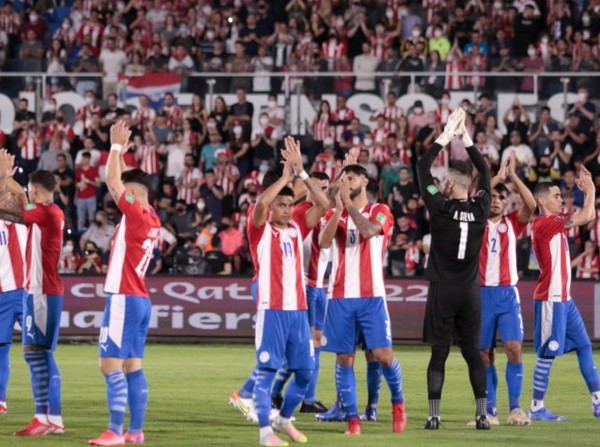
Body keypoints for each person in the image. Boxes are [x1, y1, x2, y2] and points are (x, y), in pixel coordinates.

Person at [246, 138, 328, 446]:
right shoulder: (259, 229)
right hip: (273, 311)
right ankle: (266, 434)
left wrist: (302, 173)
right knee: (267, 372)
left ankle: (283, 419)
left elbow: (323, 204)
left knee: (306, 374)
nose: (285, 209)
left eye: (289, 204)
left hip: (298, 312)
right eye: (280, 204)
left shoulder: (297, 227)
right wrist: (285, 176)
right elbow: (260, 206)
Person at [416, 108, 491, 430]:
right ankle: (482, 415)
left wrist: (445, 137)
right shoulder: (481, 208)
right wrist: (467, 139)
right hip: (470, 291)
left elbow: (422, 167)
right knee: (473, 352)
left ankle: (434, 415)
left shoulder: (439, 206)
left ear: (448, 183)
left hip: (443, 290)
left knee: (439, 353)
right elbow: (485, 171)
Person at [88, 121, 161, 446]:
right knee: (133, 366)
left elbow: (111, 181)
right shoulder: (151, 217)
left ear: (132, 196)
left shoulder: (133, 215)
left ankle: (115, 431)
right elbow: (120, 180)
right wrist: (122, 155)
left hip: (123, 297)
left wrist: (115, 146)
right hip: (140, 299)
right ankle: (135, 431)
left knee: (109, 365)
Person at [319, 164, 406, 435]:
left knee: (383, 356)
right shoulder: (336, 213)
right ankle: (353, 421)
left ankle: (398, 405)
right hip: (340, 296)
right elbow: (323, 242)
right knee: (344, 359)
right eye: (344, 179)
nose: (347, 182)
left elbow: (368, 231)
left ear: (365, 181)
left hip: (372, 297)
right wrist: (338, 209)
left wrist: (349, 207)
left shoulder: (381, 210)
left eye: (352, 178)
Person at [0, 150, 65, 436]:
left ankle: (49, 418)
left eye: (29, 189)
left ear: (35, 189)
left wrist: (5, 174)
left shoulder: (47, 213)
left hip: (42, 292)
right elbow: (14, 206)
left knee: (39, 355)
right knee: (36, 354)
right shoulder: (44, 214)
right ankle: (47, 418)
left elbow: (21, 203)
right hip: (36, 291)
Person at [529, 172, 600, 422]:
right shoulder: (544, 224)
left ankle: (598, 402)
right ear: (542, 201)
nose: (562, 199)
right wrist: (590, 190)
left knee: (583, 345)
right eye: (556, 196)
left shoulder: (554, 223)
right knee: (548, 353)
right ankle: (536, 408)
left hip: (564, 299)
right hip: (551, 298)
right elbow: (587, 216)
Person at [474, 151, 536, 426]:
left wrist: (512, 177)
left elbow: (531, 205)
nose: (497, 202)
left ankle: (515, 409)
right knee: (484, 354)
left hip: (507, 295)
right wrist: (494, 178)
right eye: (493, 197)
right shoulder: (474, 222)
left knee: (513, 347)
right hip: (482, 295)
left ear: (506, 202)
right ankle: (490, 411)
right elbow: (473, 194)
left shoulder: (513, 222)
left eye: (502, 198)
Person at [271, 171, 331, 414]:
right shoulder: (300, 211)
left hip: (319, 285)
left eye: (325, 187)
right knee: (304, 346)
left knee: (315, 345)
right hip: (305, 283)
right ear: (308, 188)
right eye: (318, 187)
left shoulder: (325, 210)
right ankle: (274, 393)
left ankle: (307, 399)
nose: (322, 191)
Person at [0, 207, 27, 415]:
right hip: (2, 296)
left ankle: (49, 413)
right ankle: (0, 401)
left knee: (39, 351)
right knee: (1, 351)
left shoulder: (25, 215)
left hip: (24, 291)